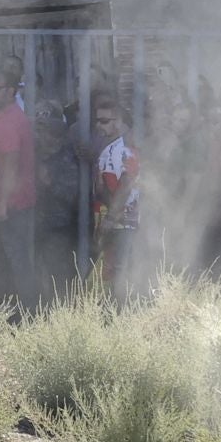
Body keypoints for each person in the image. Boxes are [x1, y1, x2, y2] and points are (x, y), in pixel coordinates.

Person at [0, 66, 37, 305]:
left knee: (15, 262)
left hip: (12, 205)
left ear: (11, 91)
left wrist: (3, 203)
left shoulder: (8, 124)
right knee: (18, 260)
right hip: (18, 202)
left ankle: (24, 314)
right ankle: (23, 312)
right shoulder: (10, 117)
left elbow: (10, 165)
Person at [32, 102, 83, 296]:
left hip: (59, 228)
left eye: (47, 132)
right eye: (40, 131)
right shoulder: (37, 155)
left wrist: (48, 183)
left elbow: (71, 195)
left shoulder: (67, 158)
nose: (42, 136)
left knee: (59, 276)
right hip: (37, 224)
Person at [92, 99, 140, 300]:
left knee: (119, 274)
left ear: (119, 122)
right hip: (111, 220)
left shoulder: (124, 150)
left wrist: (111, 218)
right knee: (110, 273)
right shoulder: (110, 148)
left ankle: (121, 317)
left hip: (120, 224)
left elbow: (125, 184)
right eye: (97, 120)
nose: (98, 125)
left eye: (105, 121)